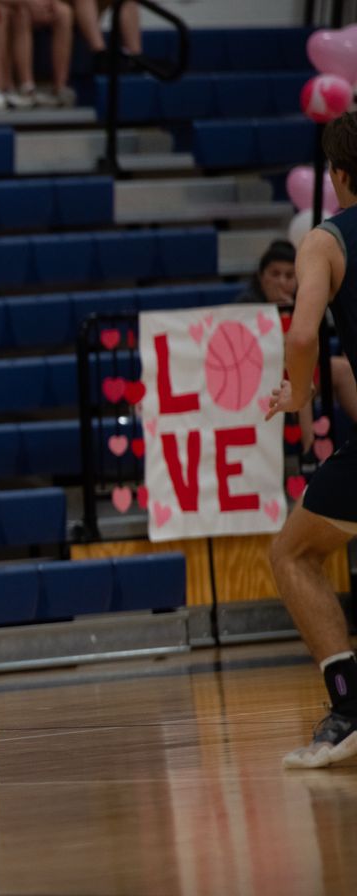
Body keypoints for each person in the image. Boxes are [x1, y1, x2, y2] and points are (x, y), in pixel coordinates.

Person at [266, 112, 357, 770]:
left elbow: (302, 336)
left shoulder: (325, 242)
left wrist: (297, 393)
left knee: (293, 553)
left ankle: (350, 708)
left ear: (338, 175)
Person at [243, 239, 357, 464]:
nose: (281, 282)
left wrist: (291, 316)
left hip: (296, 374)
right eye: (274, 274)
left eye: (288, 275)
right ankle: (310, 455)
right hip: (259, 379)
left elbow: (311, 347)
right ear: (261, 276)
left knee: (340, 370)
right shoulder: (245, 305)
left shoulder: (305, 301)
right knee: (299, 381)